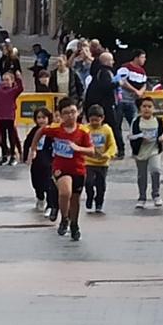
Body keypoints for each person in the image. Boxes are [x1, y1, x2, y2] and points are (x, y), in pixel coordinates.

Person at [46, 98, 94, 242]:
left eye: (73, 112)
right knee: (65, 192)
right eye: (66, 113)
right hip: (60, 168)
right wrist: (33, 150)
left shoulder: (83, 132)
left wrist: (78, 148)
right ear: (60, 115)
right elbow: (40, 132)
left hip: (78, 169)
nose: (70, 116)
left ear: (78, 112)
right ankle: (64, 218)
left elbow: (92, 151)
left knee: (75, 199)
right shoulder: (56, 130)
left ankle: (74, 224)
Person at [128, 95, 163, 210]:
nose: (147, 109)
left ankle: (156, 194)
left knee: (156, 170)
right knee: (142, 176)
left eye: (149, 106)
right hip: (140, 152)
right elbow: (130, 136)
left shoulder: (158, 121)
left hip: (154, 150)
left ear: (153, 108)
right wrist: (141, 136)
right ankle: (142, 197)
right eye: (144, 106)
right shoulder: (136, 121)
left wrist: (162, 137)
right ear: (140, 108)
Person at [82, 104, 118, 214]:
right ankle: (89, 196)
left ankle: (99, 203)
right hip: (88, 162)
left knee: (101, 185)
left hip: (102, 163)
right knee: (88, 182)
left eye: (97, 120)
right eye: (92, 120)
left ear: (102, 118)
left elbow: (112, 145)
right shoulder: (85, 129)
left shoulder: (107, 130)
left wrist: (108, 154)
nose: (94, 123)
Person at [22, 107, 58, 218]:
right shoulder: (34, 131)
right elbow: (27, 143)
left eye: (44, 117)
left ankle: (50, 205)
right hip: (36, 162)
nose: (41, 120)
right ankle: (40, 197)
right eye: (39, 118)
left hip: (48, 162)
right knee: (36, 183)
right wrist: (25, 157)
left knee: (49, 184)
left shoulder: (52, 131)